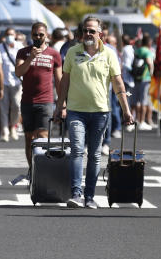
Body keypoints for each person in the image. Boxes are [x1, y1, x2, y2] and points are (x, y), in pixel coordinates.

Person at [56, 17, 134, 209]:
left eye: (92, 31)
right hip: (76, 112)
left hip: (100, 112)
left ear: (100, 33)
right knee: (76, 151)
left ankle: (90, 196)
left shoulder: (109, 54)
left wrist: (126, 110)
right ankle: (76, 193)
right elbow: (64, 82)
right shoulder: (73, 52)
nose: (88, 34)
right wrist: (60, 106)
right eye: (85, 31)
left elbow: (118, 83)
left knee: (95, 155)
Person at [13, 22, 62, 179]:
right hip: (27, 101)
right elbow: (18, 72)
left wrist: (62, 104)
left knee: (42, 137)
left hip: (45, 101)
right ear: (31, 35)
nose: (38, 37)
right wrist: (31, 58)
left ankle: (41, 170)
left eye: (41, 34)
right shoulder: (23, 52)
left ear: (46, 35)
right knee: (29, 139)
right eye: (35, 34)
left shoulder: (54, 54)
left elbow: (59, 80)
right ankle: (32, 170)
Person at [0, 27, 23, 142]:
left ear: (15, 35)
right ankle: (5, 130)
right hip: (3, 82)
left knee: (16, 106)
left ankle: (13, 126)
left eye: (11, 34)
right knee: (3, 107)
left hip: (17, 82)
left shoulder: (20, 47)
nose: (9, 36)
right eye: (7, 34)